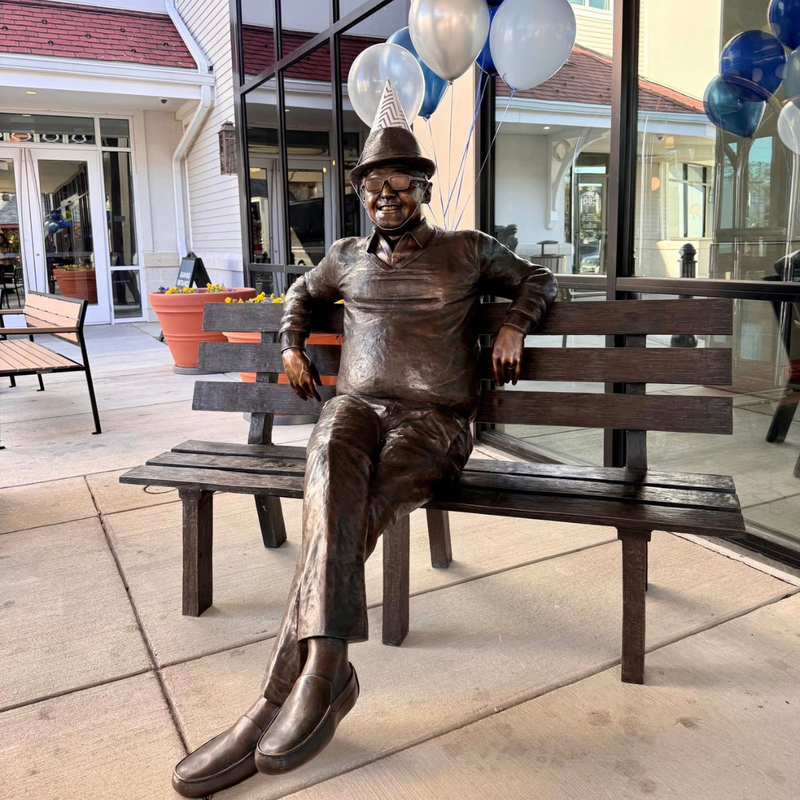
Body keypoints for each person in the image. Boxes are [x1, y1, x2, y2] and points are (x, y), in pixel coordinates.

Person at [172, 81, 558, 798]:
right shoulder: (345, 256)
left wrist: (512, 323)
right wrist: (290, 341)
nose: (387, 194)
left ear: (422, 189)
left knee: (357, 507)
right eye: (375, 184)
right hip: (355, 408)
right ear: (363, 193)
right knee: (329, 475)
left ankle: (286, 690)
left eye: (400, 183)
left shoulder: (468, 250)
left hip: (434, 422)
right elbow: (299, 293)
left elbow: (540, 276)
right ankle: (324, 671)